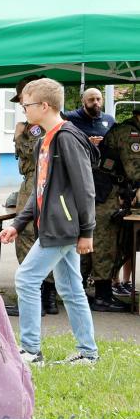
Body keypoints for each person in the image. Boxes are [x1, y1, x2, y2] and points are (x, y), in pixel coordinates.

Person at [0, 78, 99, 365]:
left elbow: (85, 187)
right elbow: (40, 189)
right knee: (71, 289)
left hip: (62, 227)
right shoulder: (45, 140)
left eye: (26, 105)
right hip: (57, 225)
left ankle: (31, 350)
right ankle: (88, 353)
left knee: (26, 279)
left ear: (44, 106)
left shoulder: (66, 137)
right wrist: (17, 224)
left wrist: (87, 231)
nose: (24, 110)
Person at [6, 76, 57, 317]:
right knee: (43, 239)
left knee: (27, 238)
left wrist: (18, 135)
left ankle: (37, 300)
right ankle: (48, 299)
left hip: (35, 183)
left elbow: (32, 150)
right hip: (42, 183)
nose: (21, 106)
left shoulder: (36, 127)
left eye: (23, 102)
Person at [86, 107, 139, 310]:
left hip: (108, 190)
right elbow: (135, 170)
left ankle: (85, 292)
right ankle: (102, 297)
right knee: (104, 244)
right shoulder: (130, 133)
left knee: (106, 243)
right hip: (104, 193)